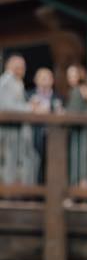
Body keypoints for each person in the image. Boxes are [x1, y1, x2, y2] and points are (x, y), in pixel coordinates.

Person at [64, 63, 87, 186]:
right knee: (84, 164)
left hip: (79, 132)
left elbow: (72, 112)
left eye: (73, 75)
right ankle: (84, 198)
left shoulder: (77, 91)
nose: (70, 78)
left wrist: (62, 113)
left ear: (80, 76)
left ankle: (79, 197)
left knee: (79, 164)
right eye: (69, 76)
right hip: (86, 132)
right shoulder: (86, 89)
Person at [0, 53, 30, 185]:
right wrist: (30, 108)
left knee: (16, 162)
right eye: (19, 66)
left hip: (15, 132)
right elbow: (6, 106)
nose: (22, 69)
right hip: (8, 131)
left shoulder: (16, 81)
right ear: (10, 66)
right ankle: (8, 195)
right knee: (9, 163)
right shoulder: (6, 81)